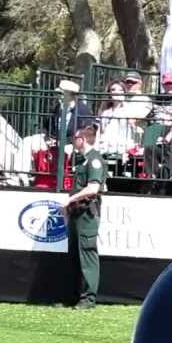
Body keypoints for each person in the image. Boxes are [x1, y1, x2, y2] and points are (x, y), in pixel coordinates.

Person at [63, 126, 105, 309]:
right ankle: (75, 296)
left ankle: (88, 298)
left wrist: (70, 200)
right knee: (75, 255)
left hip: (87, 214)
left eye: (76, 137)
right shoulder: (84, 161)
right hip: (77, 213)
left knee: (87, 254)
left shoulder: (94, 160)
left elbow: (93, 188)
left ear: (83, 139)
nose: (74, 140)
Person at [97, 81, 136, 156]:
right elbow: (101, 131)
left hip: (122, 146)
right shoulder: (105, 112)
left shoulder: (128, 109)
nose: (116, 92)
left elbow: (132, 127)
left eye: (120, 90)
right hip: (105, 145)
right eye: (113, 90)